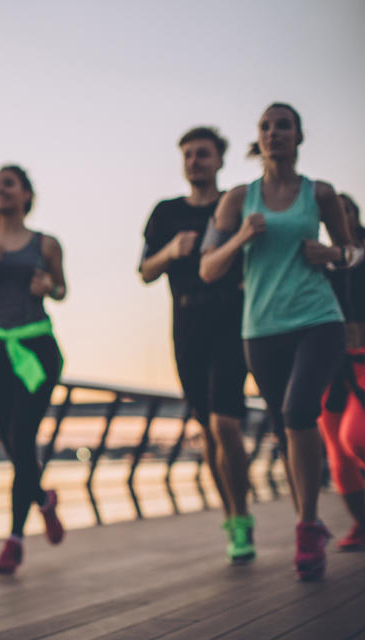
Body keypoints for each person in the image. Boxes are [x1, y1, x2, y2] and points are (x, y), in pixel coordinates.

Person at [200, 103, 363, 581]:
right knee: (285, 423)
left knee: (298, 412)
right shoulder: (236, 200)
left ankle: (307, 526)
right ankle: (308, 521)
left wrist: (331, 253)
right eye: (266, 127)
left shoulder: (321, 194)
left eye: (284, 125)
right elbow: (209, 268)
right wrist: (240, 239)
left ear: (298, 135)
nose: (275, 133)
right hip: (261, 329)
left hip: (317, 318)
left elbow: (353, 252)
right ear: (259, 138)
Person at [138, 127, 254, 564]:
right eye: (188, 155)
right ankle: (230, 516)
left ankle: (242, 516)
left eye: (202, 154)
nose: (194, 161)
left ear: (220, 160)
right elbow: (145, 271)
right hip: (187, 327)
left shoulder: (235, 207)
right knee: (207, 427)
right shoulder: (166, 213)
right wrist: (169, 251)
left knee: (226, 423)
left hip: (232, 323)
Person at [0, 165, 66, 575]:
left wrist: (47, 288)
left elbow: (61, 290)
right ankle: (42, 499)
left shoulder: (46, 244)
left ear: (25, 195)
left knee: (22, 437)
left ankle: (14, 541)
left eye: (8, 184)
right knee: (10, 439)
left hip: (37, 349)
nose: (0, 190)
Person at [318, 193, 365, 551]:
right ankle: (361, 524)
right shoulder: (319, 261)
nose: (340, 218)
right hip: (331, 363)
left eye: (345, 211)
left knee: (357, 437)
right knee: (336, 449)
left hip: (362, 360)